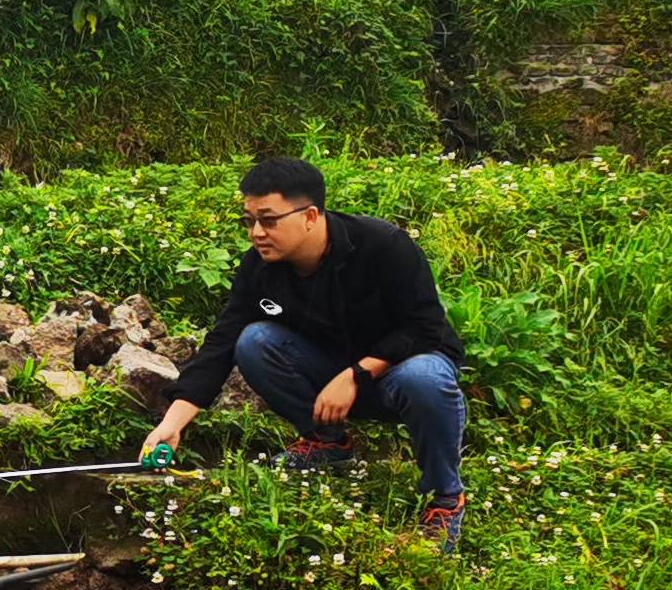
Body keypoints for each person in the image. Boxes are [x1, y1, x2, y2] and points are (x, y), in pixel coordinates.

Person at [140, 155, 470, 546]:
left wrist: (357, 374)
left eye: (269, 220)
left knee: (424, 377)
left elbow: (426, 327)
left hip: (400, 375)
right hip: (330, 378)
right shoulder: (260, 268)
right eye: (249, 221)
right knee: (253, 340)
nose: (257, 233)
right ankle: (328, 444)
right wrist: (172, 423)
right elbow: (222, 343)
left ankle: (444, 497)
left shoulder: (383, 246)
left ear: (310, 216)